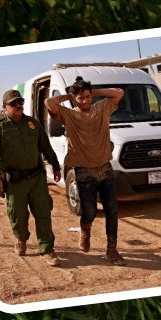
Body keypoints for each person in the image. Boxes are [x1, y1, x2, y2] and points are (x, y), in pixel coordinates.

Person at [45, 76, 126, 265]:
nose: (85, 101)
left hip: (105, 168)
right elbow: (49, 102)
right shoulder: (69, 114)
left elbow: (119, 93)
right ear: (75, 99)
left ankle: (111, 250)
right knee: (89, 212)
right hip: (83, 171)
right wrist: (72, 95)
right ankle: (85, 230)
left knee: (112, 211)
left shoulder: (102, 107)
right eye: (81, 98)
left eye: (88, 97)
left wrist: (93, 91)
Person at [0, 89, 62, 267]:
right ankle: (21, 239)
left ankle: (47, 249)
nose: (18, 106)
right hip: (14, 181)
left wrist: (56, 166)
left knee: (43, 213)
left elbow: (46, 147)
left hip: (36, 178)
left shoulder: (33, 124)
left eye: (20, 102)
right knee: (17, 216)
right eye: (13, 103)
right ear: (5, 107)